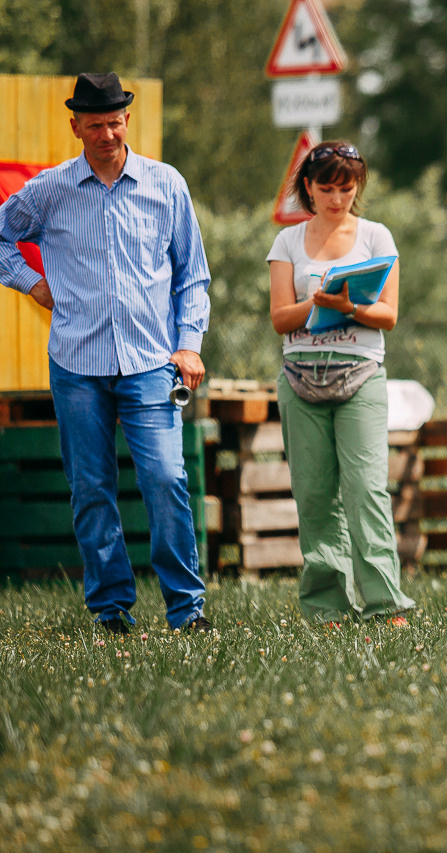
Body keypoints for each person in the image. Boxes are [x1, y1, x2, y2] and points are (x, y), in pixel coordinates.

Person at [0, 72, 213, 635]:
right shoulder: (51, 189)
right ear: (75, 126)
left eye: (113, 121)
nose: (105, 133)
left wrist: (188, 343)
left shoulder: (166, 185)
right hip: (76, 364)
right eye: (93, 124)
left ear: (127, 120)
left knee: (166, 478)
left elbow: (193, 275)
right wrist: (30, 282)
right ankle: (111, 609)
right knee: (91, 487)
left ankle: (186, 609)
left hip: (150, 363)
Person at [267, 140, 415, 626]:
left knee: (367, 489)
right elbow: (279, 318)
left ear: (358, 187)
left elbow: (388, 315)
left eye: (346, 187)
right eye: (326, 187)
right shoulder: (288, 242)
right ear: (307, 187)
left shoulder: (376, 237)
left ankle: (385, 603)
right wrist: (317, 301)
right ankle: (326, 606)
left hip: (362, 374)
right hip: (300, 376)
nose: (336, 197)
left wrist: (349, 307)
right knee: (313, 493)